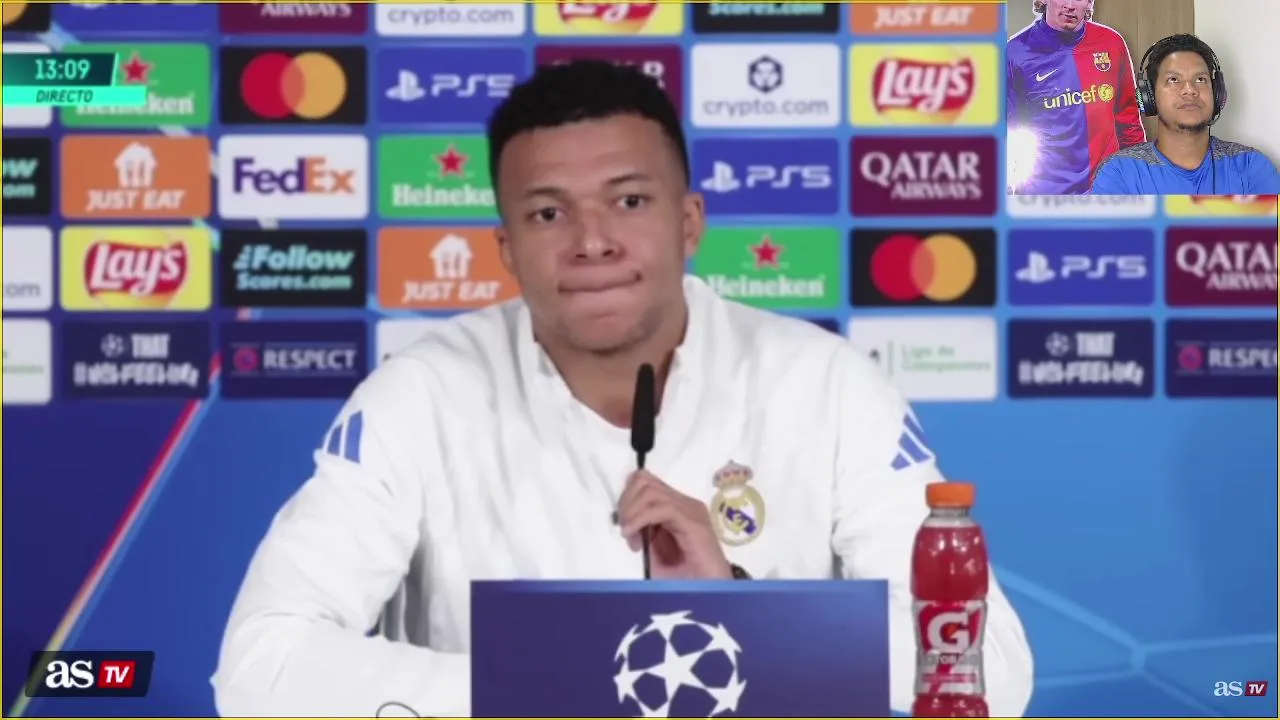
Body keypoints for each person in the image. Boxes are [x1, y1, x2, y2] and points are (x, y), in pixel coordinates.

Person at [211, 61, 1034, 717]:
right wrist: (571, 679)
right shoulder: (419, 396)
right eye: (548, 214)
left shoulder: (827, 385)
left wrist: (742, 612)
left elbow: (986, 670)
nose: (592, 242)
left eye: (629, 201)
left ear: (689, 221)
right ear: (505, 248)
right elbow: (259, 668)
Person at [1091, 34, 1280, 195]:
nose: (1190, 90)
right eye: (1173, 79)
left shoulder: (1251, 167)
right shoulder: (1119, 173)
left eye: (1201, 79)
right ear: (1149, 96)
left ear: (1217, 93)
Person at [1006, 0, 1146, 194]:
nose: (1070, 5)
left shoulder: (1112, 42)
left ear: (1089, 2)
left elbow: (1128, 120)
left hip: (1106, 190)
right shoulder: (1015, 53)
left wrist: (1139, 177)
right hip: (1045, 194)